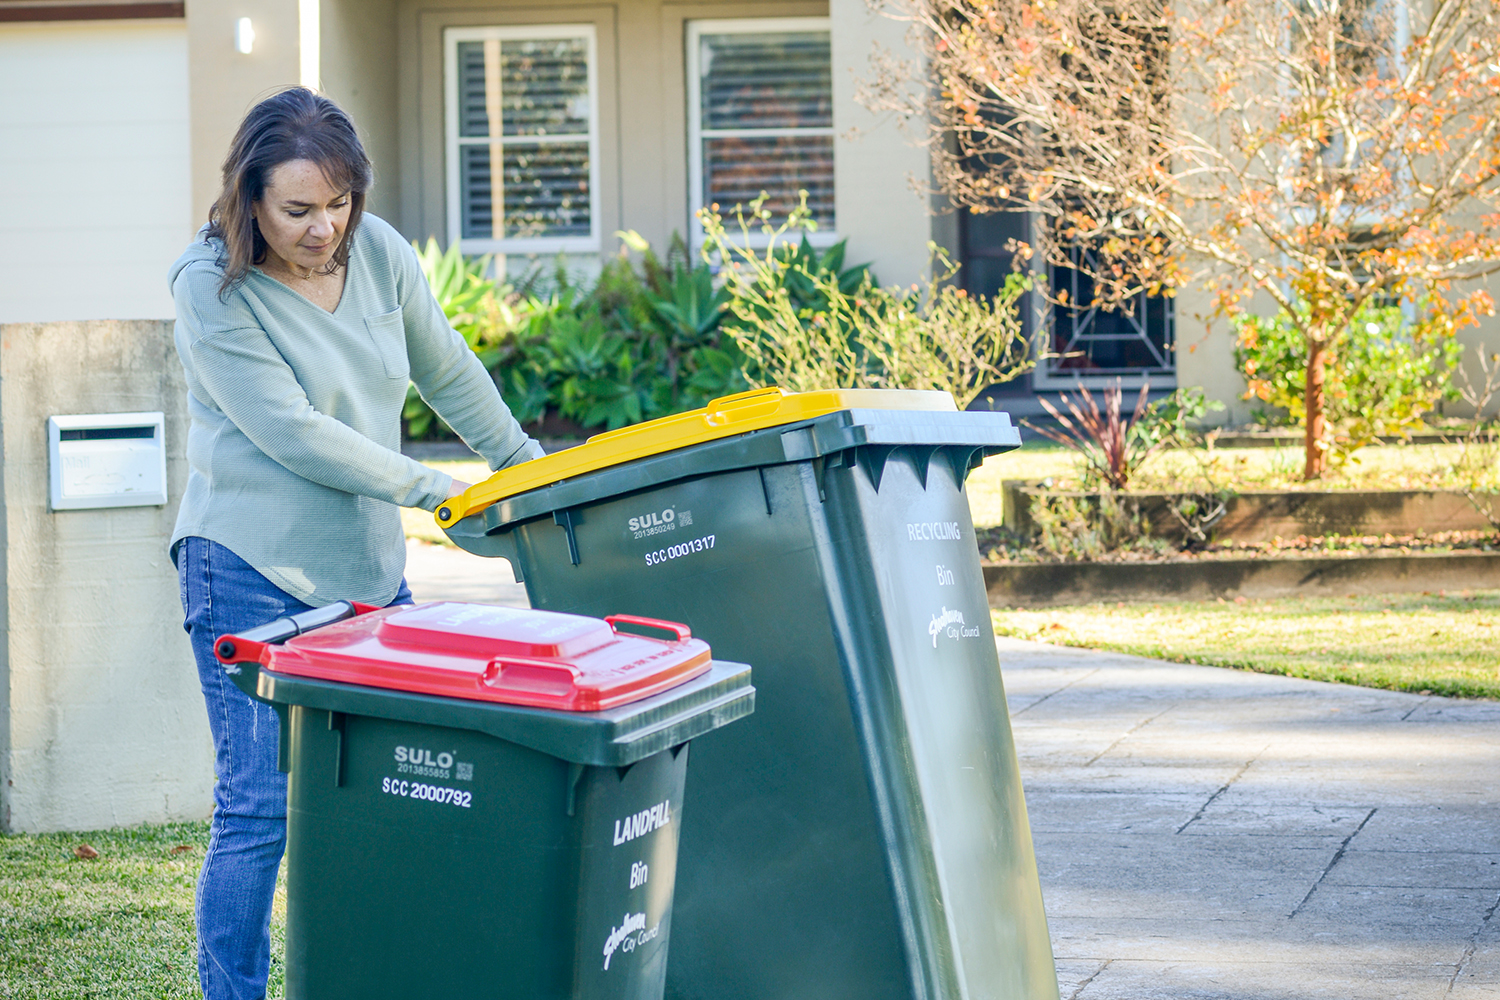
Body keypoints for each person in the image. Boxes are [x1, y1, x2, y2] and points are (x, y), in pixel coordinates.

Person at [168, 87, 541, 1000]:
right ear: (247, 197)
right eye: (298, 209)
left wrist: (528, 472)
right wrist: (433, 489)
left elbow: (447, 369)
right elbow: (292, 431)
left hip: (366, 571)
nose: (324, 228)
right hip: (247, 568)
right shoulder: (208, 283)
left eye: (338, 203)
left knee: (398, 798)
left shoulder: (379, 253)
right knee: (258, 812)